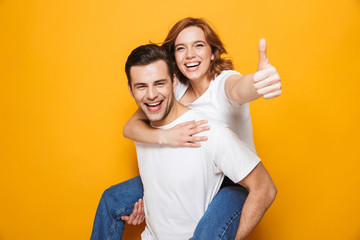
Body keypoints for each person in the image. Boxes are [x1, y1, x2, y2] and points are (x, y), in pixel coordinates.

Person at [91, 17, 281, 239]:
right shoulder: (171, 90)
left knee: (207, 233)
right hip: (189, 174)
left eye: (198, 45)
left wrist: (259, 84)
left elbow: (240, 90)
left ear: (213, 53)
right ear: (174, 61)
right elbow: (131, 126)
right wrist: (166, 137)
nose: (190, 54)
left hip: (232, 179)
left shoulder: (223, 83)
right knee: (111, 199)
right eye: (181, 48)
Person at [130, 44, 275, 239]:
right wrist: (144, 208)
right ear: (131, 90)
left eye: (159, 83)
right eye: (141, 86)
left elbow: (264, 188)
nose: (151, 95)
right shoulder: (142, 130)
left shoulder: (209, 131)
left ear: (174, 82)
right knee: (110, 199)